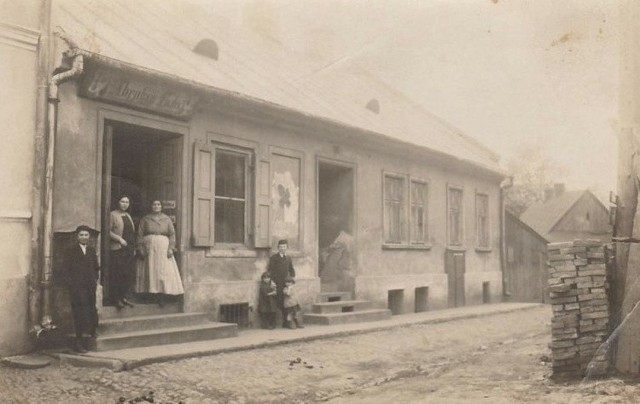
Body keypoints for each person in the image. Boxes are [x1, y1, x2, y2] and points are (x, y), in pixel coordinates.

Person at [135, 200, 184, 305]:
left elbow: (172, 234)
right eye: (154, 204)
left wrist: (171, 248)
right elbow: (140, 235)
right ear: (151, 206)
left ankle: (162, 296)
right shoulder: (145, 219)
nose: (156, 206)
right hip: (149, 247)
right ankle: (150, 296)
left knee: (162, 271)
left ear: (161, 207)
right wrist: (140, 248)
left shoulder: (166, 219)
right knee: (150, 269)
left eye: (158, 205)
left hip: (163, 247)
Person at [63, 225, 100, 353]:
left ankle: (92, 331)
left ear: (89, 237)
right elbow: (66, 269)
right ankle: (78, 342)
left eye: (86, 235)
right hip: (77, 287)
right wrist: (72, 284)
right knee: (79, 311)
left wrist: (94, 280)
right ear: (77, 236)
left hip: (89, 286)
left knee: (91, 308)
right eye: (81, 235)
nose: (84, 237)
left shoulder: (91, 250)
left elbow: (96, 267)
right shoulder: (71, 251)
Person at [109, 194, 136, 309]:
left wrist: (133, 248)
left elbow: (131, 233)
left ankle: (123, 297)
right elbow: (108, 231)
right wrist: (119, 239)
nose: (125, 204)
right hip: (118, 249)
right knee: (118, 274)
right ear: (118, 202)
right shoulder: (112, 214)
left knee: (127, 274)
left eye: (127, 202)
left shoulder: (128, 216)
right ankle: (116, 299)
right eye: (122, 201)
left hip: (128, 249)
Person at [267, 239, 296, 327]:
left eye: (284, 247)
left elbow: (292, 270)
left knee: (286, 304)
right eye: (281, 247)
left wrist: (291, 281)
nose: (282, 249)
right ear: (278, 248)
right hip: (276, 284)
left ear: (287, 248)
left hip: (285, 285)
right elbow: (270, 271)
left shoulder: (288, 258)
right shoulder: (274, 258)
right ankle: (272, 323)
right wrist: (271, 282)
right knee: (276, 303)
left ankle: (286, 322)